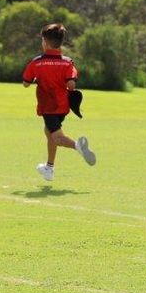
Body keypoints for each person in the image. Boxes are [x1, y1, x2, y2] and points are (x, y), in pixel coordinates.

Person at [21, 23, 96, 181]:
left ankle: (78, 147)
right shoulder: (68, 62)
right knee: (49, 132)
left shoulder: (36, 63)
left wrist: (38, 78)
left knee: (57, 138)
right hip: (62, 106)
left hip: (48, 106)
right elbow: (71, 85)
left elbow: (26, 83)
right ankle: (49, 168)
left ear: (44, 42)